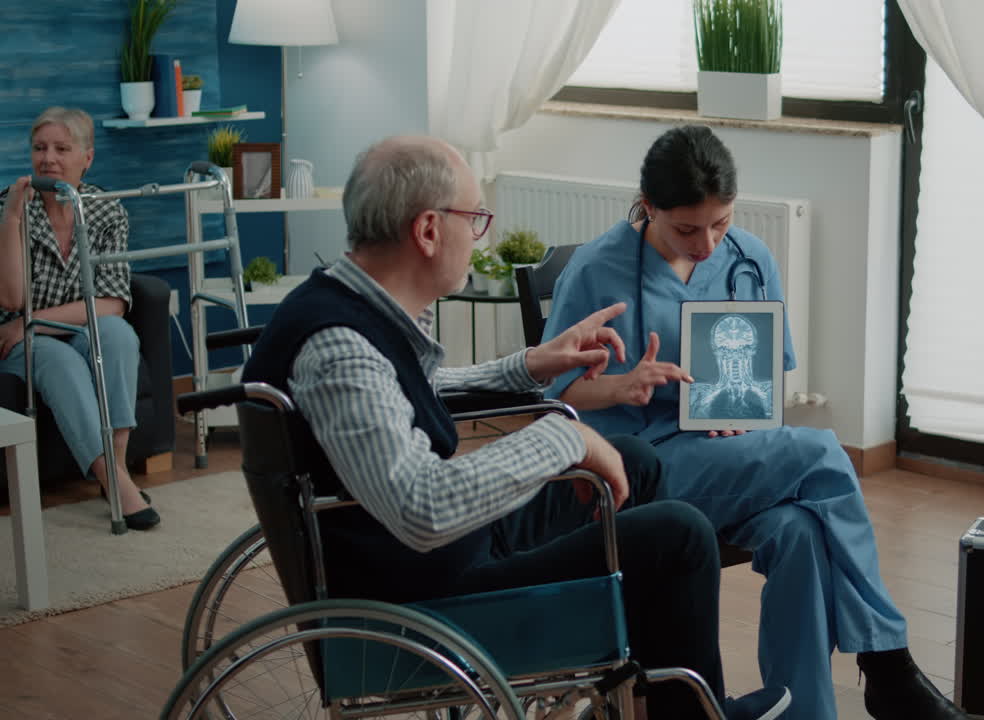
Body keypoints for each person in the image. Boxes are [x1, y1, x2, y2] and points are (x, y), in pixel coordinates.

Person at [240, 134, 790, 720]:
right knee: (679, 535)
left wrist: (531, 365)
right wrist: (563, 438)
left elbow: (410, 393)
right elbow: (422, 508)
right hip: (425, 607)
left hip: (440, 560)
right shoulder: (340, 350)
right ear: (428, 231)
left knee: (634, 459)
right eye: (475, 218)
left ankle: (651, 699)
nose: (484, 236)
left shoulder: (341, 309)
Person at [542, 125, 968, 720]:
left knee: (798, 527)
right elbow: (553, 394)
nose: (709, 243)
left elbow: (767, 375)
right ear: (647, 204)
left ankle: (805, 712)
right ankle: (887, 663)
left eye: (720, 223)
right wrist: (621, 385)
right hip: (632, 468)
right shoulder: (596, 270)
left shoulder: (750, 258)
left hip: (721, 459)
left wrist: (741, 416)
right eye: (687, 228)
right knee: (823, 454)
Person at [0, 106, 158, 531]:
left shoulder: (105, 210)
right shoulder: (8, 207)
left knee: (118, 334)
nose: (47, 159)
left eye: (61, 149)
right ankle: (117, 485)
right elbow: (12, 298)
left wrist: (30, 321)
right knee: (60, 359)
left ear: (86, 158)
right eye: (39, 148)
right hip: (21, 344)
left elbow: (111, 303)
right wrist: (12, 216)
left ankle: (116, 470)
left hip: (58, 327)